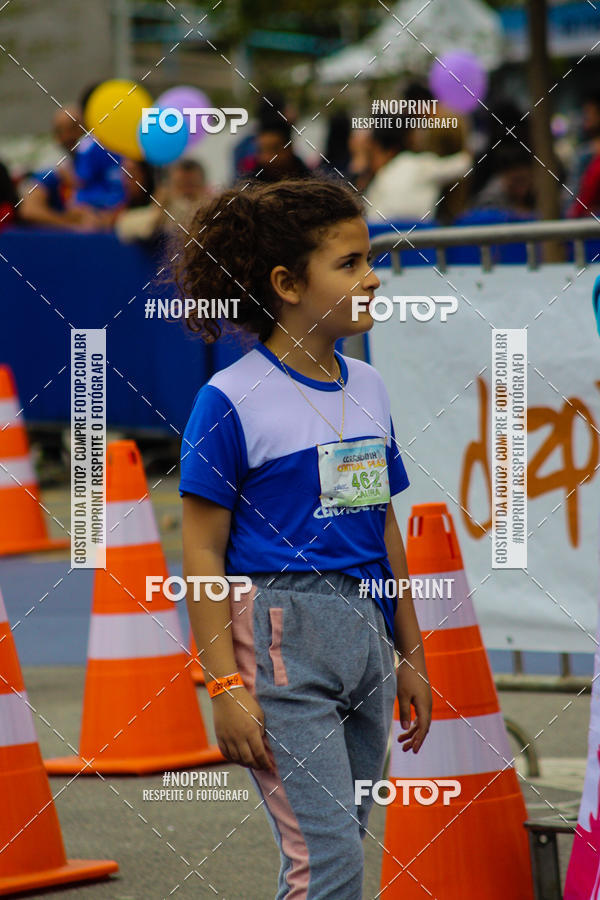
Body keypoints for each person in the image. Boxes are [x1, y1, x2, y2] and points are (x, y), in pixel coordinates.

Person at [175, 177, 432, 898]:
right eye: (349, 263)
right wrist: (225, 684)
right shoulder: (230, 399)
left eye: (369, 259)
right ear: (287, 284)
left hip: (365, 635)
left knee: (340, 843)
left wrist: (409, 655)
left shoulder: (369, 386)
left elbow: (382, 528)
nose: (372, 277)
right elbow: (201, 552)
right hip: (281, 638)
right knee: (327, 859)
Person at [364, 122, 471, 223]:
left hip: (380, 231)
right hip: (415, 232)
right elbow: (464, 164)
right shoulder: (422, 165)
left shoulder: (385, 173)